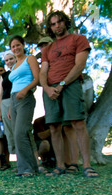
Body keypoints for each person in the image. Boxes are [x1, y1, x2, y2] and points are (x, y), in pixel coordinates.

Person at [40, 10, 99, 178]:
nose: (57, 26)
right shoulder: (48, 49)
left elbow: (80, 65)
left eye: (59, 22)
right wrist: (47, 88)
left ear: (65, 22)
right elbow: (43, 71)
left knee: (78, 124)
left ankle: (86, 165)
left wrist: (62, 84)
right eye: (53, 24)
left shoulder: (78, 39)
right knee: (54, 127)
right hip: (50, 90)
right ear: (50, 28)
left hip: (70, 86)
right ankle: (60, 165)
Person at [7, 35, 40, 177]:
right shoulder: (14, 65)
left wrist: (25, 90)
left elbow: (37, 79)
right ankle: (25, 168)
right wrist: (9, 106)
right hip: (14, 100)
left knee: (21, 132)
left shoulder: (30, 59)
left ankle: (28, 168)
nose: (16, 48)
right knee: (17, 135)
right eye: (13, 47)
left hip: (25, 98)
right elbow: (13, 86)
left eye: (18, 45)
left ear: (23, 45)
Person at [0, 51, 17, 171]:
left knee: (18, 131)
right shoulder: (3, 77)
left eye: (11, 59)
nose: (9, 61)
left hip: (15, 101)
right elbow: (0, 93)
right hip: (4, 103)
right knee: (9, 134)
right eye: (6, 60)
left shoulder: (17, 72)